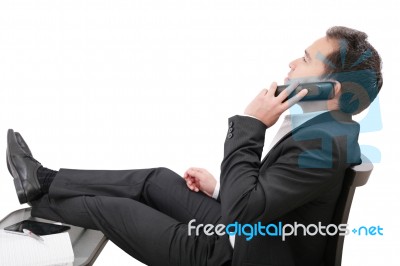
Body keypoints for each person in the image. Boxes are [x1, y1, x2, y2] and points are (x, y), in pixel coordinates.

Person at [6, 26, 382, 266]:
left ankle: (35, 206)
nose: (290, 63)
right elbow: (269, 199)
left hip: (234, 254)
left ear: (331, 89)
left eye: (303, 60)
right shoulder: (326, 130)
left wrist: (251, 124)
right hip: (246, 233)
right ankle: (43, 180)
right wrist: (218, 188)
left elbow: (243, 212)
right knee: (156, 179)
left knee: (110, 208)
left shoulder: (323, 145)